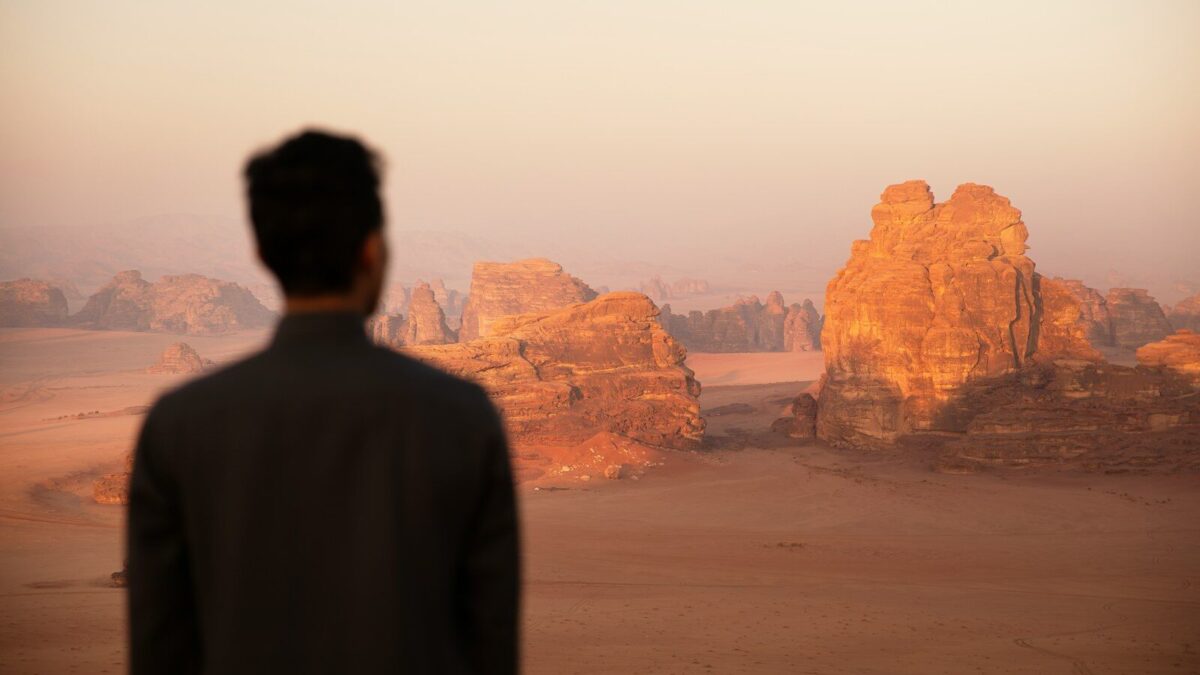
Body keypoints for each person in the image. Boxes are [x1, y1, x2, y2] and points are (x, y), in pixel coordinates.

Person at [127, 129, 520, 674]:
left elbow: (159, 647)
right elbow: (490, 642)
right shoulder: (461, 417)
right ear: (372, 251)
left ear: (263, 253)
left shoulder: (179, 425)